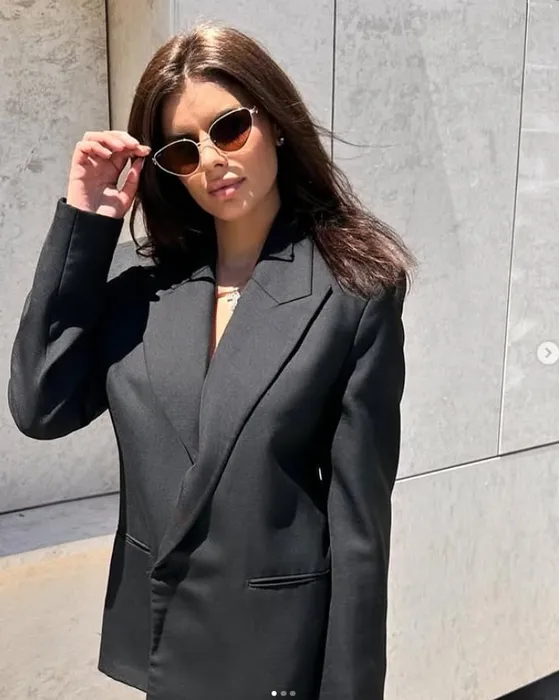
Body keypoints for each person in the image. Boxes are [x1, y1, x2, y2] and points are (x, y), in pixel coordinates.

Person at [7, 20, 416, 700]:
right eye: (182, 149)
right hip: (165, 640)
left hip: (277, 654)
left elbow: (358, 529)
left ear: (273, 122)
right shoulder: (144, 294)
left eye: (228, 129)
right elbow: (40, 406)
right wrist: (88, 222)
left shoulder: (351, 293)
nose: (211, 160)